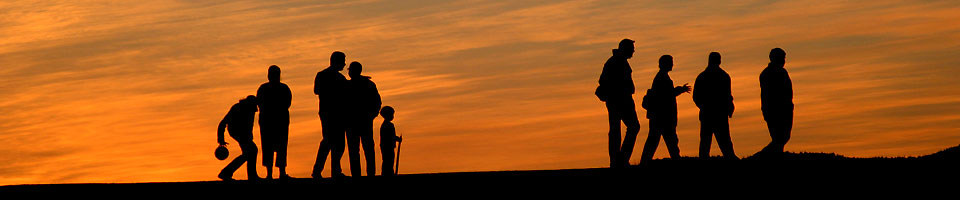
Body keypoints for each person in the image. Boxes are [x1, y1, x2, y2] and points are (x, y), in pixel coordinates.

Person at [597, 39, 641, 168]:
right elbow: (603, 81)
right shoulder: (615, 62)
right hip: (619, 100)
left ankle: (619, 160)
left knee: (618, 130)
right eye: (631, 48)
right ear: (625, 49)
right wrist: (619, 91)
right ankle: (619, 160)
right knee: (628, 128)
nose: (633, 51)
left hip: (620, 99)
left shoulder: (618, 61)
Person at [639, 55, 690, 163]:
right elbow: (666, 95)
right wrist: (680, 89)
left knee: (657, 140)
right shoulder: (662, 78)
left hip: (659, 116)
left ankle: (645, 161)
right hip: (663, 117)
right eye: (670, 62)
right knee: (667, 140)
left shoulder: (661, 77)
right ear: (664, 64)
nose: (672, 64)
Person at [692, 52, 738, 159]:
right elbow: (728, 96)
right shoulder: (723, 76)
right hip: (717, 114)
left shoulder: (703, 76)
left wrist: (704, 107)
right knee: (721, 141)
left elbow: (696, 97)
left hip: (709, 114)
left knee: (708, 141)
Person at [313, 51, 349, 179]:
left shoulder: (338, 78)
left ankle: (333, 170)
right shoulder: (326, 76)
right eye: (343, 61)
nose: (345, 64)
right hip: (330, 114)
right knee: (329, 142)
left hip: (336, 114)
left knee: (336, 143)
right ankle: (319, 170)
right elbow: (317, 90)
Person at [345, 61, 382, 177]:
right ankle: (367, 174)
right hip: (359, 121)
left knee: (359, 149)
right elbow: (377, 102)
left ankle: (361, 174)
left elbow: (377, 102)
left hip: (357, 121)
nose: (349, 72)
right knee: (364, 148)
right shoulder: (368, 84)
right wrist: (372, 115)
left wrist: (371, 115)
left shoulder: (348, 86)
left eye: (350, 70)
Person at [257, 65, 293, 180]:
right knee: (269, 147)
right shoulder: (265, 88)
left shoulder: (282, 88)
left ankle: (279, 173)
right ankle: (271, 174)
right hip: (271, 121)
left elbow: (287, 104)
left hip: (277, 121)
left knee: (280, 147)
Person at [759, 48, 794, 155]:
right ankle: (762, 156)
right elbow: (767, 94)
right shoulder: (767, 74)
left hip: (785, 109)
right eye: (782, 58)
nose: (784, 61)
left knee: (783, 137)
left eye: (784, 58)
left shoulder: (782, 72)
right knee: (779, 137)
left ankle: (775, 155)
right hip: (773, 110)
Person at [217, 95, 260, 181]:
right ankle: (226, 173)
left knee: (248, 153)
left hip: (243, 134)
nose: (256, 108)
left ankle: (227, 173)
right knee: (251, 151)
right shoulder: (238, 108)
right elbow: (223, 123)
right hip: (237, 132)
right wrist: (221, 139)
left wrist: (249, 137)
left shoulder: (249, 109)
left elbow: (249, 126)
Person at [379, 106, 402, 176]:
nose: (392, 116)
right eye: (391, 114)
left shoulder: (384, 125)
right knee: (388, 161)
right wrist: (397, 139)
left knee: (387, 161)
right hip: (387, 147)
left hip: (385, 146)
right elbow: (390, 136)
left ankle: (387, 173)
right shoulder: (388, 125)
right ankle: (388, 174)